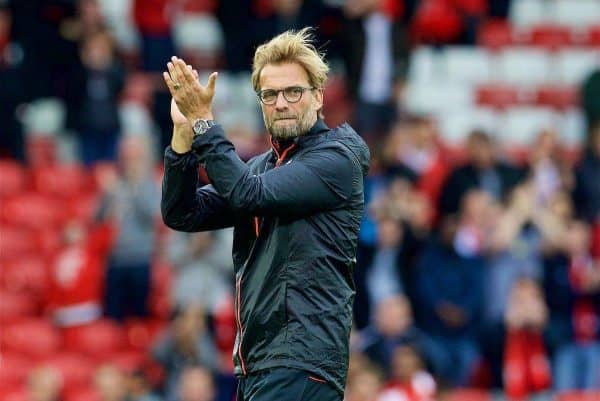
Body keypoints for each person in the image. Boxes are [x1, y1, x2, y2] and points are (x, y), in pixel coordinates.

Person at [161, 28, 370, 401]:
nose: (282, 103)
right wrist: (183, 134)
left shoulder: (337, 158)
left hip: (301, 361)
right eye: (270, 94)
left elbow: (247, 195)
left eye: (294, 91)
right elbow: (182, 213)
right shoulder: (261, 169)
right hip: (260, 361)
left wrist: (205, 122)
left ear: (318, 96)